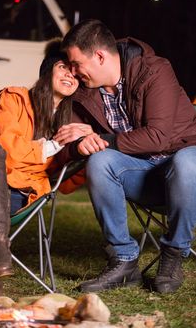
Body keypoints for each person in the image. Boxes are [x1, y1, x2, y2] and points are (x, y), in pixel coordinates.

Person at [54, 19, 196, 294]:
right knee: (100, 161)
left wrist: (102, 140)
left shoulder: (154, 70)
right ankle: (123, 259)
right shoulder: (83, 92)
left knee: (186, 163)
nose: (72, 71)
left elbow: (158, 137)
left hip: (185, 168)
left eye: (75, 63)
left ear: (99, 56)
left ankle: (173, 254)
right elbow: (67, 141)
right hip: (145, 177)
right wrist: (80, 145)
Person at [0, 39, 90, 296]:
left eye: (75, 74)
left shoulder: (71, 121)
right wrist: (48, 149)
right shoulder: (13, 98)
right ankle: (1, 246)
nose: (70, 75)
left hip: (18, 193)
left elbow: (65, 183)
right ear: (48, 70)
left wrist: (82, 145)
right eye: (64, 67)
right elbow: (4, 151)